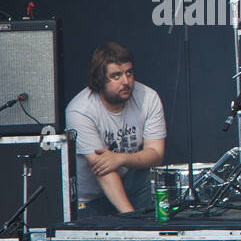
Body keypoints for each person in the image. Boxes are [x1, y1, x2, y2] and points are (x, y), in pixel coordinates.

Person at [65, 41, 166, 215]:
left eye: (129, 73)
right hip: (90, 199)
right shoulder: (80, 110)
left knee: (151, 177)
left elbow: (156, 155)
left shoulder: (148, 98)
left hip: (130, 186)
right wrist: (131, 220)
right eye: (116, 76)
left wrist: (120, 159)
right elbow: (103, 170)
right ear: (99, 79)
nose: (126, 81)